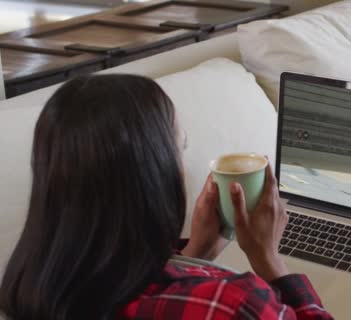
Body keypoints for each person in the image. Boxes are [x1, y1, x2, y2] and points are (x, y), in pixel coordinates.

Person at [0, 75, 333, 320]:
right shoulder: (231, 302)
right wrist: (269, 260)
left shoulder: (28, 289)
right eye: (179, 145)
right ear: (153, 173)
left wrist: (195, 253)